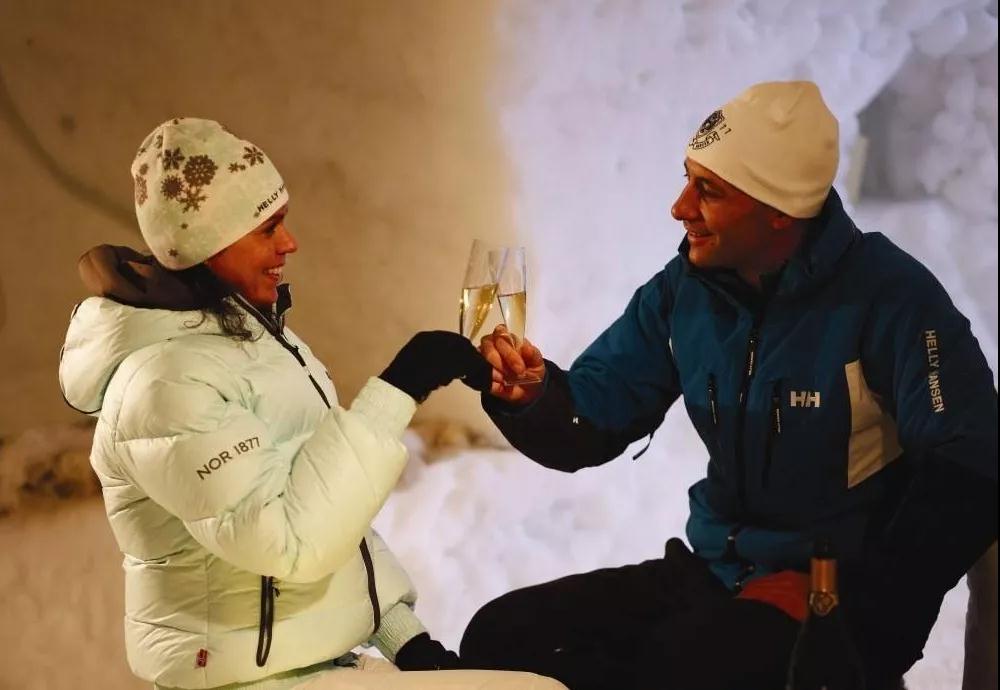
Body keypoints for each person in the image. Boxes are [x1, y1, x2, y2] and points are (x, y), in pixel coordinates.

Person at [458, 81, 999, 690]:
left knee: (674, 669)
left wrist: (854, 611)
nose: (679, 207)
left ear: (780, 210)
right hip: (714, 574)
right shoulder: (686, 290)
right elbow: (595, 414)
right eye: (687, 180)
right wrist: (534, 397)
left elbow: (971, 462)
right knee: (501, 638)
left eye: (708, 191)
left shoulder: (888, 296)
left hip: (830, 594)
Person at [58, 118, 567, 690]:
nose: (289, 243)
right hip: (243, 679)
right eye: (267, 228)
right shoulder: (164, 383)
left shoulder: (255, 344)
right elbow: (289, 539)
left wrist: (408, 640)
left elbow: (329, 503)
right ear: (210, 244)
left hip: (309, 664)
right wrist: (401, 388)